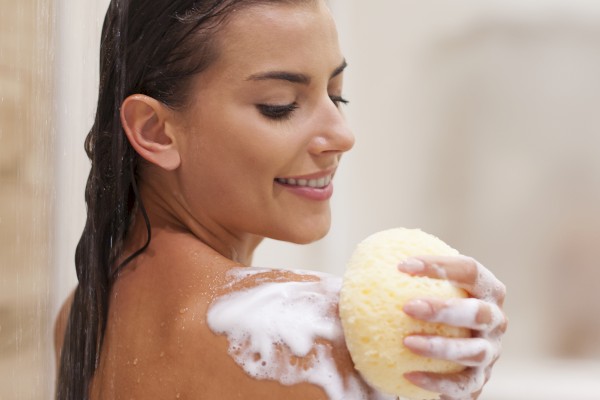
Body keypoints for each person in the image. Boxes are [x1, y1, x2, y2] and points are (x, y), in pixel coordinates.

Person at [54, 0, 507, 399]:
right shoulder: (305, 338)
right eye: (280, 104)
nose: (342, 136)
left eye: (336, 94)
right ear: (154, 130)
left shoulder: (84, 312)